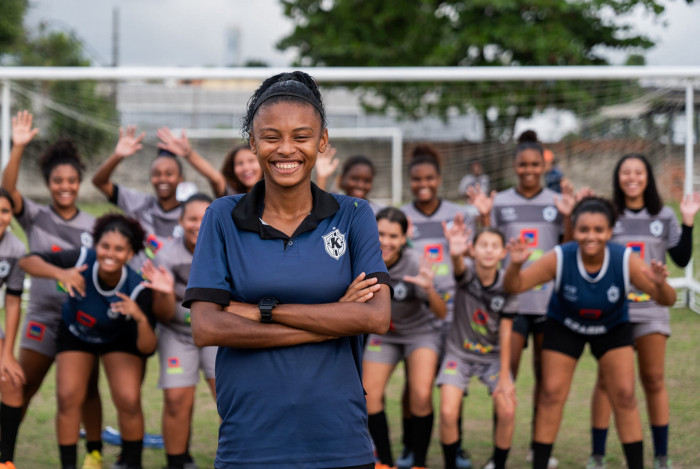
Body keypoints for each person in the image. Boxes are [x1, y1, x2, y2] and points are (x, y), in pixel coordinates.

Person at [182, 71, 391, 468]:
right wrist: (335, 318)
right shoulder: (222, 216)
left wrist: (260, 310)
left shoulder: (353, 215)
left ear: (322, 141)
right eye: (272, 136)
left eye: (301, 136)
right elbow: (207, 328)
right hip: (250, 443)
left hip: (339, 441)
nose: (286, 149)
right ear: (253, 142)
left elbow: (376, 316)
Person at [504, 197, 677, 469]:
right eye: (584, 229)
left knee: (625, 395)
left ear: (610, 232)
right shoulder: (561, 257)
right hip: (566, 326)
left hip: (611, 328)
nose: (591, 236)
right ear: (575, 229)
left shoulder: (624, 259)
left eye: (599, 230)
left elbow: (668, 299)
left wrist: (660, 285)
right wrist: (514, 265)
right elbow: (516, 285)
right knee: (551, 395)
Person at [19, 214, 174, 469]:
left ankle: (131, 462)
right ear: (95, 246)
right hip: (77, 334)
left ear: (130, 253)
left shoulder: (137, 287)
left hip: (119, 339)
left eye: (119, 249)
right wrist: (61, 273)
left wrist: (140, 318)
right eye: (105, 246)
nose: (110, 254)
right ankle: (74, 462)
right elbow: (27, 261)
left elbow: (148, 348)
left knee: (129, 399)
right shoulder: (82, 260)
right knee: (68, 395)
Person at [1, 110, 104, 469]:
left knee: (86, 390)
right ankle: (5, 457)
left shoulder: (95, 224)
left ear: (80, 183)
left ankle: (93, 455)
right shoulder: (34, 215)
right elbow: (7, 190)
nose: (65, 186)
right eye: (58, 180)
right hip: (42, 318)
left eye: (72, 180)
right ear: (48, 183)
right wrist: (17, 148)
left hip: (83, 321)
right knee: (20, 384)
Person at [587, 154, 700, 469]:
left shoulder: (663, 215)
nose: (632, 177)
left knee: (653, 379)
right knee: (607, 383)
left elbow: (681, 257)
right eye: (626, 172)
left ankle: (661, 457)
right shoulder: (608, 214)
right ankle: (597, 456)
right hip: (613, 313)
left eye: (638, 172)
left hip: (651, 312)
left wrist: (688, 219)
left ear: (648, 177)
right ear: (617, 177)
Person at [473, 129, 574, 468]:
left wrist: (570, 215)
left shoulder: (556, 203)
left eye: (534, 164)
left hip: (549, 305)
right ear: (514, 166)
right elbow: (487, 246)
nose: (529, 170)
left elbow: (569, 249)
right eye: (522, 165)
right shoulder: (500, 202)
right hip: (512, 305)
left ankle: (538, 448)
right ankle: (498, 455)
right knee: (505, 380)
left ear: (543, 167)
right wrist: (485, 215)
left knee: (547, 382)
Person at [400, 143, 476, 469]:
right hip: (417, 312)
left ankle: (454, 447)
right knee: (414, 385)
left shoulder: (458, 215)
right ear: (410, 181)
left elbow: (470, 258)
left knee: (450, 382)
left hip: (454, 311)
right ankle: (409, 447)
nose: (423, 184)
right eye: (417, 179)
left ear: (439, 178)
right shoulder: (403, 216)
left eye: (429, 178)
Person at [364, 207, 446, 469]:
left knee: (421, 395)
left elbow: (441, 312)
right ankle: (385, 462)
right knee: (368, 395)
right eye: (380, 234)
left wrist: (430, 290)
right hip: (384, 334)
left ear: (403, 238)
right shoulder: (365, 258)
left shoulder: (416, 262)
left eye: (393, 236)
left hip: (419, 334)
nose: (386, 241)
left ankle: (418, 463)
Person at [438, 220, 517, 469]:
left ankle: (498, 464)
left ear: (504, 252)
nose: (489, 250)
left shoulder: (509, 284)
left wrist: (504, 377)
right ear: (473, 249)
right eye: (483, 245)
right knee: (448, 412)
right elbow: (458, 267)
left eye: (495, 246)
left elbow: (507, 333)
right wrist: (455, 253)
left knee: (507, 410)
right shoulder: (467, 272)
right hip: (458, 354)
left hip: (492, 357)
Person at [153, 193, 216, 469]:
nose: (198, 225)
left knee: (230, 397)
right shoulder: (165, 256)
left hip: (217, 332)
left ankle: (241, 459)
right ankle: (176, 462)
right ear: (180, 221)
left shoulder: (225, 251)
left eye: (205, 218)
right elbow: (163, 314)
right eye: (192, 218)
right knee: (177, 399)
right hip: (177, 334)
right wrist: (166, 293)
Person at [92, 126, 185, 269]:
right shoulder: (139, 202)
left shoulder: (190, 214)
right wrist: (118, 156)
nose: (162, 179)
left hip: (173, 289)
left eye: (169, 174)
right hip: (138, 286)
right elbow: (99, 182)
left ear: (180, 179)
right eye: (156, 174)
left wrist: (189, 154)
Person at [0, 189, 27, 469]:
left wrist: (7, 353)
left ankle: (5, 460)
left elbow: (12, 302)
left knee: (12, 380)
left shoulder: (16, 250)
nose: (0, 217)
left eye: (5, 210)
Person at [156, 127, 263, 198]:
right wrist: (188, 154)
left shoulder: (275, 194)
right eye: (239, 163)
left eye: (251, 161)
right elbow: (213, 175)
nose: (246, 167)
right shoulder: (231, 195)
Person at [315, 149, 384, 214]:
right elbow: (319, 209)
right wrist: (322, 178)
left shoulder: (379, 213)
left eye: (367, 181)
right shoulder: (333, 206)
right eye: (355, 179)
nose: (360, 185)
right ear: (342, 178)